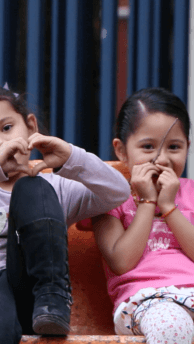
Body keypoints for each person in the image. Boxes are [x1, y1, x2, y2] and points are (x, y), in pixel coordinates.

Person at [0, 80, 130, 344]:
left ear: (31, 126)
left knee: (33, 187)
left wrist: (71, 158)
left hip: (36, 302)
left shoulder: (56, 186)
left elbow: (117, 192)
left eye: (7, 128)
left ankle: (54, 299)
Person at [93, 87, 194, 343]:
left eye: (174, 147)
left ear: (188, 147)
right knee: (171, 327)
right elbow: (122, 261)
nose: (161, 159)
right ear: (122, 150)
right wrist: (148, 201)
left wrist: (169, 206)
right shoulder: (110, 198)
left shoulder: (191, 192)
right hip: (148, 302)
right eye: (148, 147)